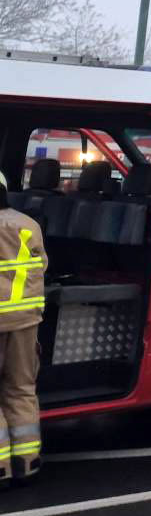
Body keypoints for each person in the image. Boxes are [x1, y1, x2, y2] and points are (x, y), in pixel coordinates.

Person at [0, 174, 47, 487]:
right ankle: (27, 461)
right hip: (25, 321)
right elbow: (40, 266)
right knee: (21, 389)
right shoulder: (28, 224)